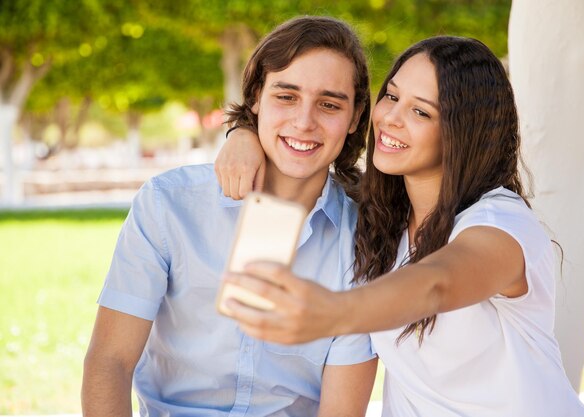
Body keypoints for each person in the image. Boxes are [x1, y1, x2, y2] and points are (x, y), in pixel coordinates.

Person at [216, 36, 584, 417]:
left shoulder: (501, 224)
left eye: (422, 112)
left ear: (463, 134)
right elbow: (298, 157)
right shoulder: (380, 219)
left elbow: (437, 283)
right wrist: (242, 134)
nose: (391, 119)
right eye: (392, 97)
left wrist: (333, 311)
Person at [81, 16, 378, 417]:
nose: (304, 122)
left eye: (329, 104)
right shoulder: (169, 205)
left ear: (357, 116)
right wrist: (241, 132)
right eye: (286, 96)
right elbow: (109, 362)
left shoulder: (362, 238)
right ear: (256, 97)